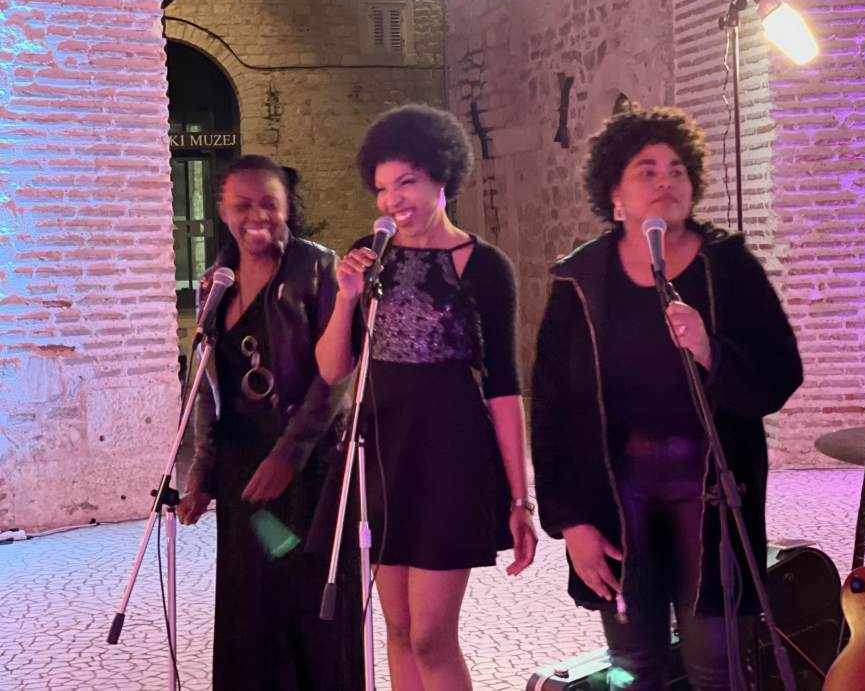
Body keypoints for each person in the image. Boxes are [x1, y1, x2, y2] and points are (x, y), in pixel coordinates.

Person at [530, 105, 803, 690]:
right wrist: (572, 521)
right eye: (647, 171)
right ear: (615, 193)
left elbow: (781, 374)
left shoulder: (728, 268)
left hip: (711, 498)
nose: (665, 181)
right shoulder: (580, 279)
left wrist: (711, 350)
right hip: (616, 496)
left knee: (718, 666)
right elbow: (551, 410)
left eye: (677, 170)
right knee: (633, 669)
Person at [314, 104, 538, 691]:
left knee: (431, 636)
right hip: (382, 451)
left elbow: (505, 386)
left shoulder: (486, 266)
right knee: (397, 626)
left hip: (451, 457)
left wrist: (521, 498)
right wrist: (346, 297)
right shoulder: (369, 256)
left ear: (442, 176)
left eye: (407, 182)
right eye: (383, 187)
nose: (393, 200)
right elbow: (334, 368)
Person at [176, 154, 361, 690]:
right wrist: (202, 472)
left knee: (310, 606)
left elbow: (336, 377)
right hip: (244, 478)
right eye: (242, 205)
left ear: (286, 208)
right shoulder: (216, 281)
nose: (256, 215)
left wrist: (289, 453)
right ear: (222, 210)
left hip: (310, 471)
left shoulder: (318, 268)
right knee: (252, 608)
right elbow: (208, 386)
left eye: (269, 203)